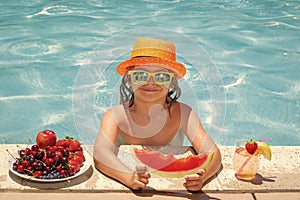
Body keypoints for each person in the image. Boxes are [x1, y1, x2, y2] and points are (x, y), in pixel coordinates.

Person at [93, 37, 221, 191]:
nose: (151, 82)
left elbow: (213, 153)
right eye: (141, 76)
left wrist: (203, 176)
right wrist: (128, 176)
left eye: (161, 77)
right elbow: (101, 153)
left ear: (172, 82)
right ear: (129, 79)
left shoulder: (184, 114)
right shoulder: (115, 117)